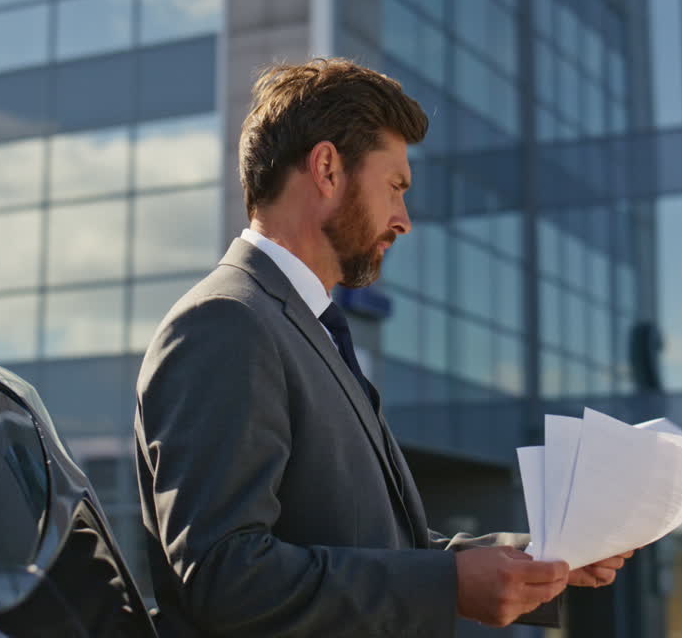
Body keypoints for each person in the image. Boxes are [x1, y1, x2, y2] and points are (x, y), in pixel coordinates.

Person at [133, 58, 630, 637]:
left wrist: (544, 558)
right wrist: (446, 585)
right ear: (326, 169)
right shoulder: (226, 323)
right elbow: (225, 576)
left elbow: (377, 545)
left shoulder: (300, 326)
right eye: (395, 187)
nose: (404, 220)